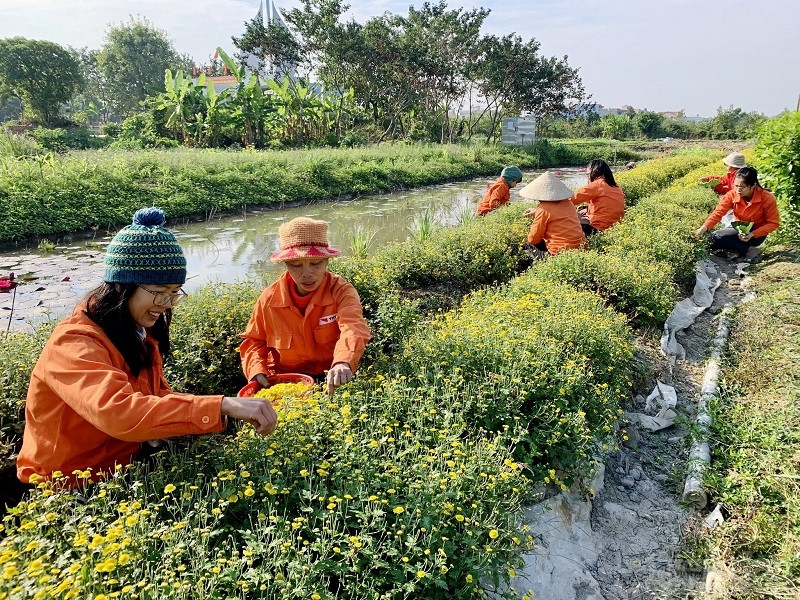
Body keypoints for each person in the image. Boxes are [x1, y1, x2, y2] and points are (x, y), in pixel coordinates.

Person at [17, 208, 277, 488]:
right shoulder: (74, 342)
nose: (167, 303)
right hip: (70, 483)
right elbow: (119, 412)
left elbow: (155, 395)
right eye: (159, 292)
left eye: (175, 292)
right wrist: (220, 405)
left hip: (122, 465)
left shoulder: (137, 330)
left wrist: (221, 413)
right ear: (120, 285)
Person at [240, 217, 371, 396]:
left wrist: (343, 362)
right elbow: (255, 342)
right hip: (286, 381)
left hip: (331, 376)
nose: (307, 274)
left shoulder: (341, 291)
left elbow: (353, 328)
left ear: (327, 261)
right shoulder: (268, 299)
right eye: (296, 265)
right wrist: (256, 371)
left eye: (315, 263)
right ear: (286, 265)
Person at [694, 166, 780, 258]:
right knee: (713, 238)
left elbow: (773, 223)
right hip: (740, 229)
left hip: (756, 234)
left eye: (742, 187)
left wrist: (752, 234)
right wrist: (703, 228)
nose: (738, 189)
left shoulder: (767, 198)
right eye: (736, 186)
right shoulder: (731, 195)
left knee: (720, 240)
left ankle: (748, 250)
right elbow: (718, 213)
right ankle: (745, 250)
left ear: (753, 185)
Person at [520, 171, 586, 255]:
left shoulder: (543, 209)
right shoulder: (569, 203)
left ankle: (539, 265)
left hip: (559, 252)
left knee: (527, 245)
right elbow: (555, 212)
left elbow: (533, 239)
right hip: (580, 248)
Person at [569, 159, 626, 236]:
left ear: (594, 172)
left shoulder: (597, 184)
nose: (588, 177)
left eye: (588, 174)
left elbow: (571, 200)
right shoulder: (615, 186)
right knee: (581, 209)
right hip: (614, 226)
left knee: (569, 216)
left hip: (599, 227)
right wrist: (587, 209)